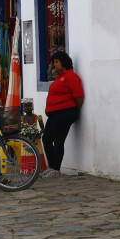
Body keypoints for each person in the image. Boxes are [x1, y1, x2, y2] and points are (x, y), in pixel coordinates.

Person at [41, 51, 83, 179]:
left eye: (56, 62)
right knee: (46, 139)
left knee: (58, 141)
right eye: (53, 62)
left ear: (64, 62)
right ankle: (52, 166)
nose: (54, 65)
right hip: (54, 113)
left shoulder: (71, 77)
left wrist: (75, 111)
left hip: (65, 112)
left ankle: (56, 169)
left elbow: (79, 96)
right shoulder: (60, 77)